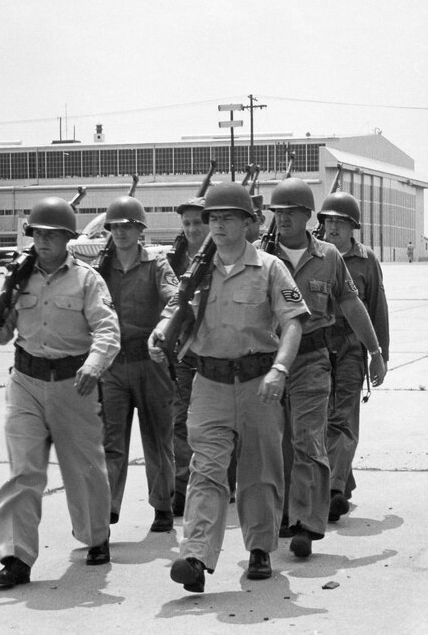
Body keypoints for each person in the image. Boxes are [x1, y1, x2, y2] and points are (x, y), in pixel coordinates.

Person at [150, 182, 308, 592]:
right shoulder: (196, 273)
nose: (217, 226)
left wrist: (280, 369)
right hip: (209, 384)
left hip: (259, 384)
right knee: (206, 470)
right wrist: (158, 336)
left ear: (247, 223)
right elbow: (173, 312)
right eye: (213, 218)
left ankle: (259, 549)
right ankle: (197, 556)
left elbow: (293, 322)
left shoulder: (271, 268)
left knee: (259, 472)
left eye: (227, 218)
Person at [0, 197, 120, 587]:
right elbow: (4, 334)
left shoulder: (88, 280)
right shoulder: (18, 279)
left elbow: (107, 330)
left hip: (76, 382)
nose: (44, 241)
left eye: (52, 235)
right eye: (38, 234)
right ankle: (16, 557)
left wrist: (94, 364)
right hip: (26, 382)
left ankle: (95, 537)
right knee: (24, 471)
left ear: (68, 239)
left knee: (84, 467)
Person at [264, 178, 386, 559]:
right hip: (269, 362)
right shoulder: (260, 257)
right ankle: (282, 514)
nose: (282, 220)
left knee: (309, 439)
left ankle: (308, 522)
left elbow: (352, 304)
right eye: (277, 214)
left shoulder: (329, 257)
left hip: (314, 360)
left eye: (289, 213)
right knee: (274, 443)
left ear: (305, 216)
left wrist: (376, 350)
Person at [96, 197, 179, 532]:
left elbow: (175, 297)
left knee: (158, 438)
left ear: (140, 230)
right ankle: (106, 507)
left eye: (128, 226)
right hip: (114, 363)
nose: (121, 232)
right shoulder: (101, 268)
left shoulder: (156, 263)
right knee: (111, 440)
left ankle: (162, 505)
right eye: (116, 227)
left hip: (150, 361)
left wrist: (163, 325)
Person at [318, 192, 389, 523]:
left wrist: (379, 355)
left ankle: (332, 492)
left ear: (352, 228)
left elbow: (376, 308)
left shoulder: (366, 260)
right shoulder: (315, 255)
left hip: (350, 346)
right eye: (328, 221)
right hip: (316, 346)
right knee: (316, 419)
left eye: (339, 223)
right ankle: (341, 479)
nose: (332, 228)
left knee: (343, 417)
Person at [166, 196, 210, 516]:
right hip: (183, 352)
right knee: (180, 422)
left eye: (199, 222)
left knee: (215, 424)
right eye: (187, 223)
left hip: (214, 353)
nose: (193, 229)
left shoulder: (222, 256)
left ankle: (223, 479)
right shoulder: (176, 258)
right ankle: (182, 488)